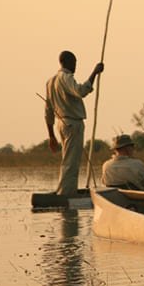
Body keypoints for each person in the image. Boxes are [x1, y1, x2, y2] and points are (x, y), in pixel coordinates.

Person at [44, 50, 105, 196]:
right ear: (68, 62)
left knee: (67, 160)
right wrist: (95, 72)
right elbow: (81, 91)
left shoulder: (50, 81)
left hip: (61, 124)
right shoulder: (66, 77)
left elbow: (48, 111)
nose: (76, 66)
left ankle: (63, 190)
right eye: (75, 62)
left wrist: (51, 135)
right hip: (72, 123)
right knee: (71, 162)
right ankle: (67, 194)